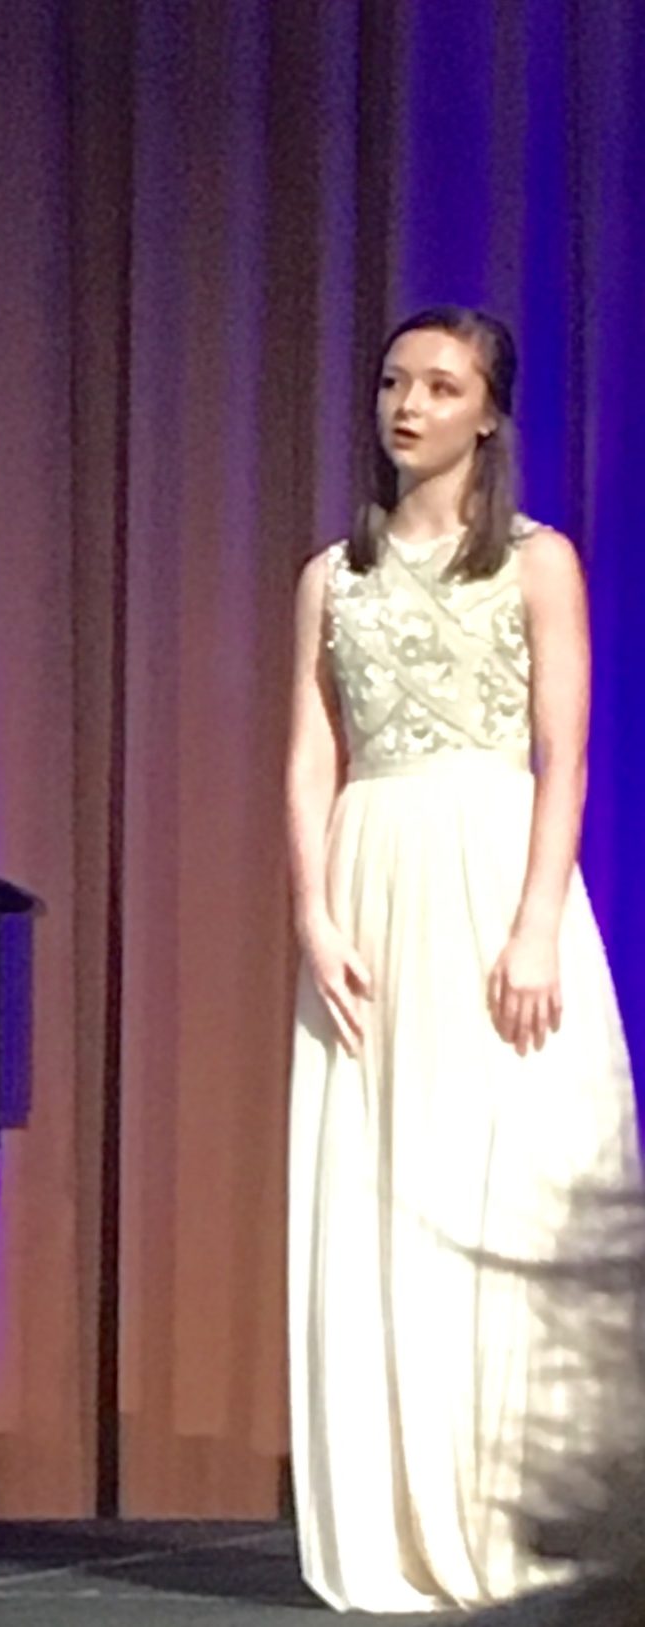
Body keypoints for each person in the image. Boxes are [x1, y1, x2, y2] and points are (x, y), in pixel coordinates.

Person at [285, 307, 645, 1612]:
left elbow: (568, 752)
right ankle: (388, 1518)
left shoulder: (538, 563)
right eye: (393, 379)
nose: (410, 404)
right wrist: (314, 910)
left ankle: (513, 1518)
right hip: (373, 873)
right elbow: (310, 754)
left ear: (488, 412)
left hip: (493, 864)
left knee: (506, 1181)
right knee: (382, 1184)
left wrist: (540, 914)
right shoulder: (335, 573)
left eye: (441, 385)